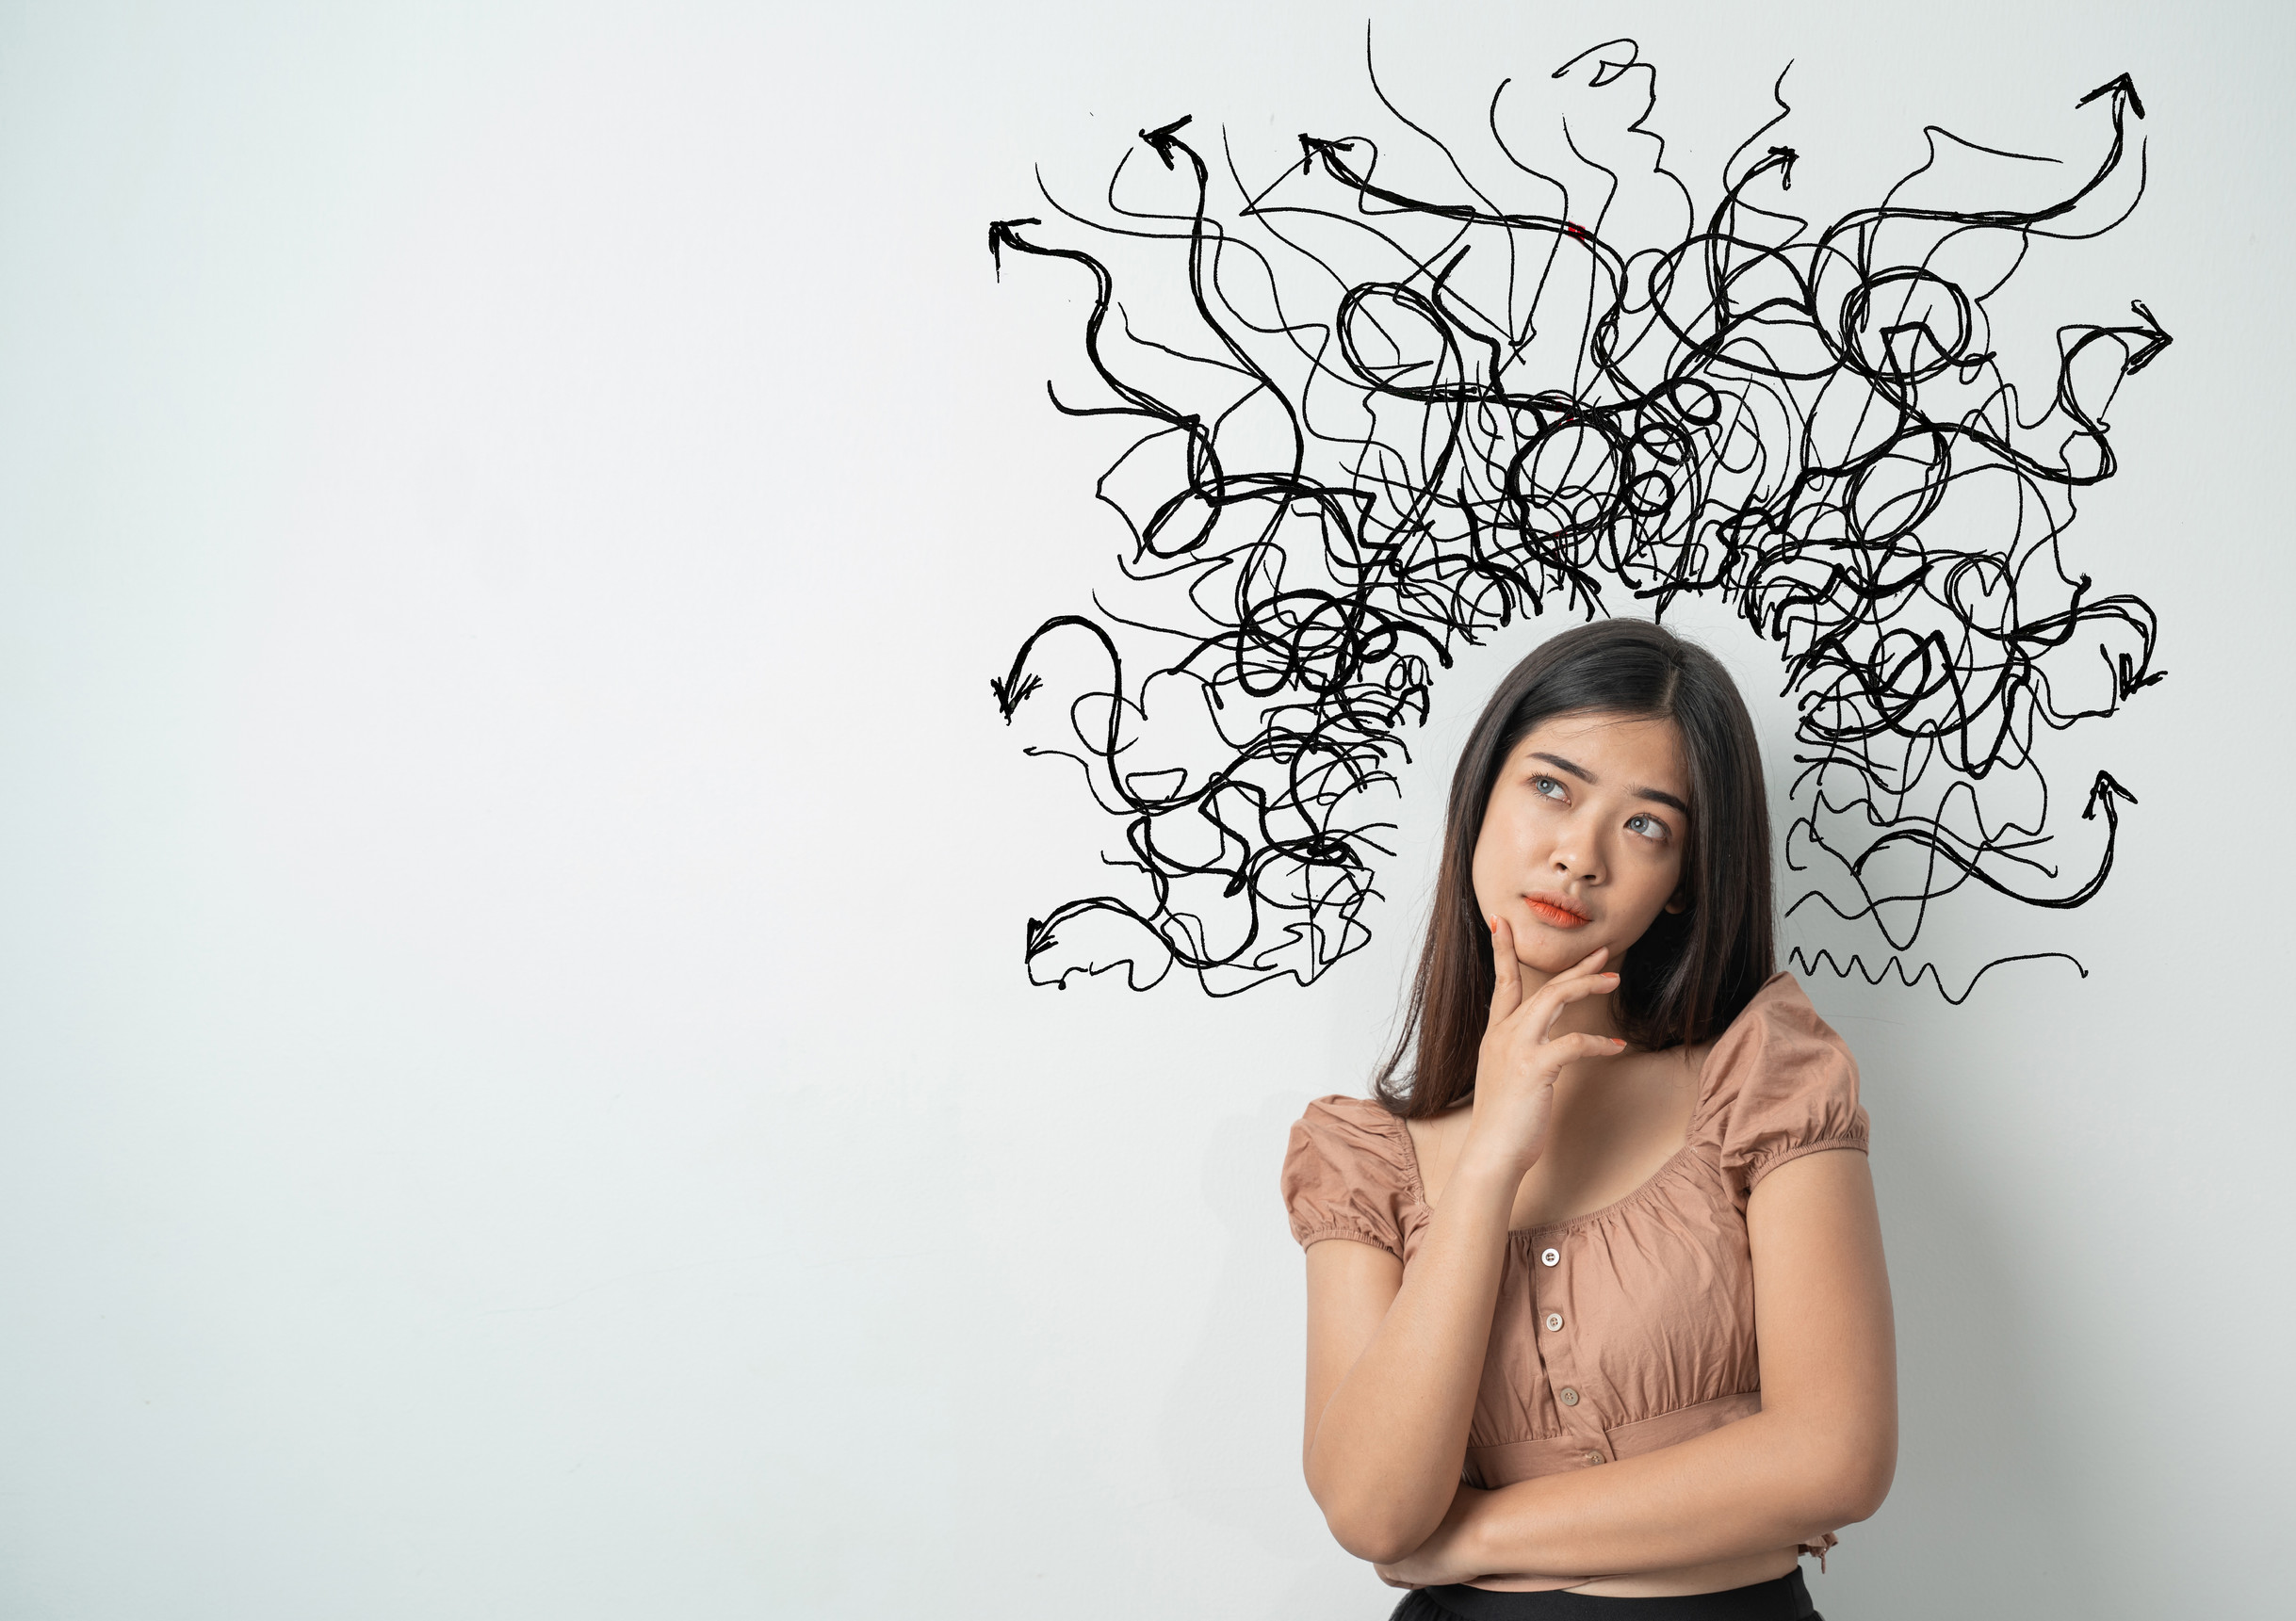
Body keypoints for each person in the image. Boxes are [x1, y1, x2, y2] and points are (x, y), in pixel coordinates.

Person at [1281, 619, 1897, 1618]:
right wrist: (1487, 1165)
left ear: (1682, 883)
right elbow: (1373, 1510)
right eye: (1552, 787)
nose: (1579, 855)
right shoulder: (1363, 1158)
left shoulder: (1764, 1079)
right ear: (1480, 796)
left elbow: (1837, 1455)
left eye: (1646, 824)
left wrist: (1473, 1534)